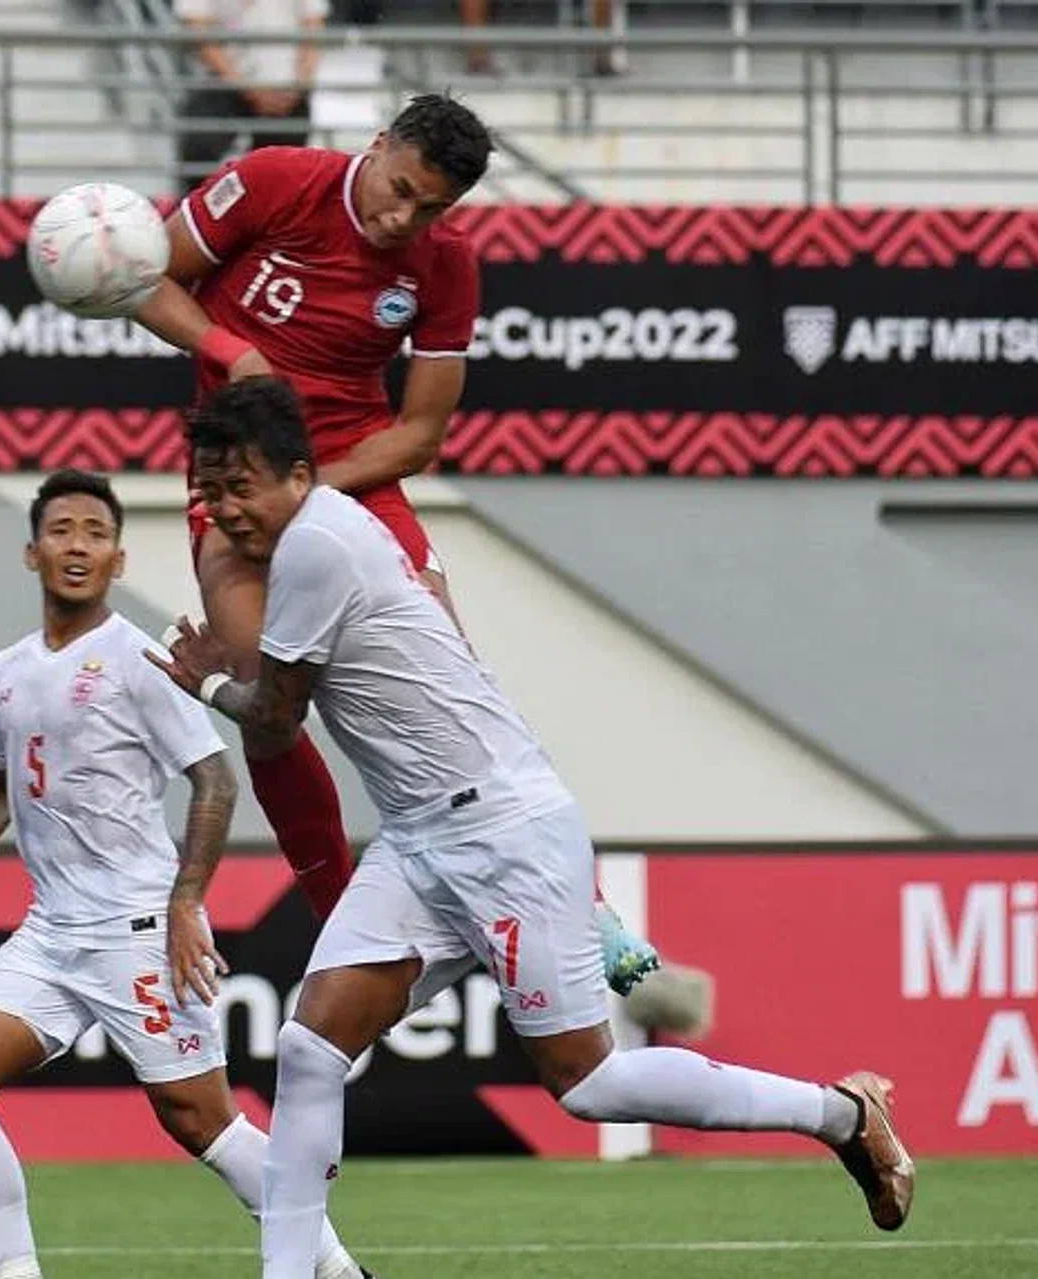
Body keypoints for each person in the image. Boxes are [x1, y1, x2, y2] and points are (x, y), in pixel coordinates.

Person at [149, 381, 917, 1279]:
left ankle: (841, 1115)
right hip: (421, 836)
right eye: (212, 490)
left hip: (503, 826)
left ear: (301, 474)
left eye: (243, 486)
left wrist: (203, 680)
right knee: (310, 1046)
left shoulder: (316, 542)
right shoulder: (305, 542)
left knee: (589, 1084)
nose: (228, 511)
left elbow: (276, 718)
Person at [133, 92, 656, 995]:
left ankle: (586, 903)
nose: (403, 217)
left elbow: (419, 437)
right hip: (234, 482)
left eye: (430, 207)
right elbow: (146, 280)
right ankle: (343, 921)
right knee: (273, 706)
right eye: (400, 190)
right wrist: (231, 347)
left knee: (455, 681)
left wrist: (306, 502)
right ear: (375, 148)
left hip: (349, 476)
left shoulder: (446, 263)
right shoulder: (273, 182)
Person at [0, 468, 373, 1279]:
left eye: (94, 532)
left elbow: (214, 777)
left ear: (117, 558)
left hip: (137, 926)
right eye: (61, 530)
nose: (77, 545)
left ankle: (335, 1269)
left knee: (201, 1122)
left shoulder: (137, 659)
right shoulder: (4, 671)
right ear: (33, 551)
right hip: (50, 933)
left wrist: (186, 902)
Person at [173, 0, 325, 194]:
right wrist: (244, 86)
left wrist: (298, 85)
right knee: (199, 151)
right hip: (221, 83)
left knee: (281, 174)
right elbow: (199, 31)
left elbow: (314, 27)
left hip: (285, 87)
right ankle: (196, 213)